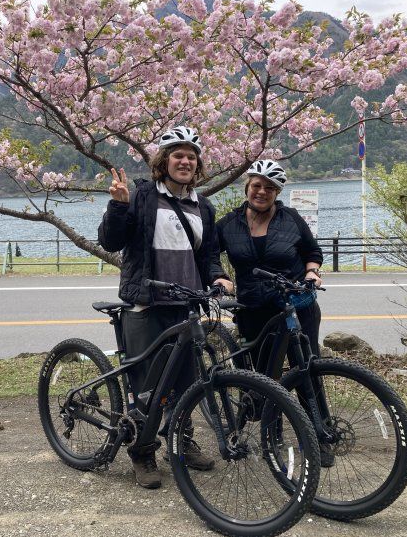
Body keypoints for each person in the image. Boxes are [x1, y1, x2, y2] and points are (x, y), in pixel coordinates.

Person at [98, 125, 233, 489]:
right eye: (178, 154)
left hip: (186, 306)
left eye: (191, 156)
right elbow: (110, 240)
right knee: (147, 386)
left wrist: (218, 278)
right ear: (164, 161)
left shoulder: (203, 206)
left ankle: (182, 441)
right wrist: (118, 205)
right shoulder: (141, 196)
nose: (185, 161)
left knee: (187, 381)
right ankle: (142, 452)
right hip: (147, 303)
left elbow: (208, 256)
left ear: (198, 164)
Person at [216, 159, 323, 378]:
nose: (262, 192)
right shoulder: (228, 224)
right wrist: (219, 275)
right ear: (247, 187)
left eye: (270, 188)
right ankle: (264, 412)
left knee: (305, 371)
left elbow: (312, 251)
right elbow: (208, 254)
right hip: (253, 309)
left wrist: (312, 272)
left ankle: (312, 413)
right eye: (257, 185)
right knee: (263, 376)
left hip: (295, 305)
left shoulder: (291, 218)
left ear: (277, 192)